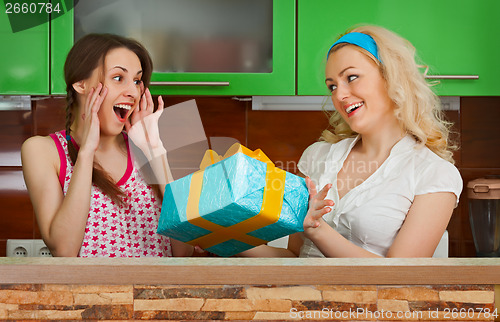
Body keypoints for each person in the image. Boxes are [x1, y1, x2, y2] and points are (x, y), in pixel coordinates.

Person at [242, 25, 462, 258]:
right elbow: (296, 259)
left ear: (391, 77)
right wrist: (224, 238)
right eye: (332, 86)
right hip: (301, 294)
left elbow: (399, 278)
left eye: (352, 77)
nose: (339, 95)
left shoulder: (434, 174)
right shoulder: (317, 156)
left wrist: (318, 230)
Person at [21, 33, 193, 257]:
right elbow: (64, 250)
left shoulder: (148, 148)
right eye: (118, 78)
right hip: (92, 293)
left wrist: (156, 152)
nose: (132, 92)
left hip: (158, 292)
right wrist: (86, 152)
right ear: (80, 84)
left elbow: (185, 252)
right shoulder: (43, 151)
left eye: (137, 81)